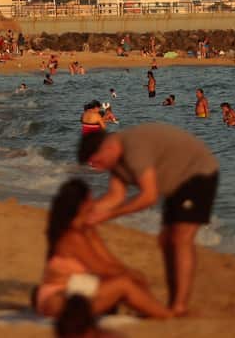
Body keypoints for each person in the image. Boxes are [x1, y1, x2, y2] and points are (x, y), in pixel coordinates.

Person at [78, 124, 219, 315]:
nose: (100, 167)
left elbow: (149, 196)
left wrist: (110, 215)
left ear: (107, 148)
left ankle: (179, 306)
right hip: (175, 184)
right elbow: (115, 197)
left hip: (198, 173)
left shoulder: (133, 149)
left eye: (99, 161)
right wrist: (85, 215)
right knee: (166, 241)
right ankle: (173, 302)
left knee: (181, 238)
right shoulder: (116, 161)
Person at [33, 179, 171, 319]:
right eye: (90, 199)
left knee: (131, 277)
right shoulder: (71, 236)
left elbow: (110, 261)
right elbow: (101, 269)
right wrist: (129, 275)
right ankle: (166, 315)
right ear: (81, 204)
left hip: (77, 292)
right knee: (124, 283)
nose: (93, 203)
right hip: (56, 299)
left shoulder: (86, 230)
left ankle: (155, 311)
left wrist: (132, 274)